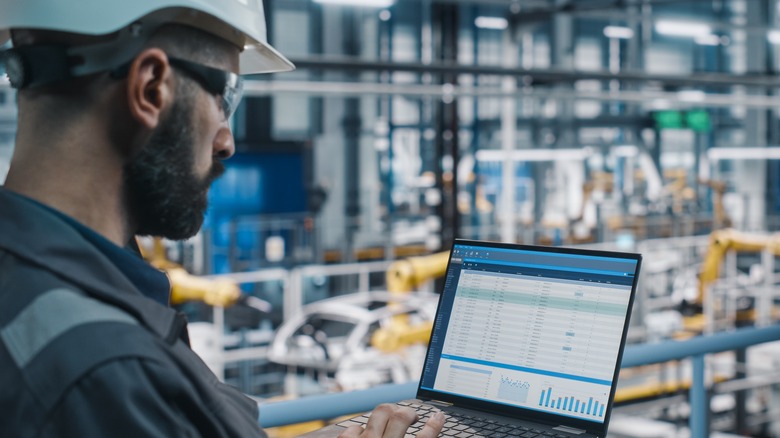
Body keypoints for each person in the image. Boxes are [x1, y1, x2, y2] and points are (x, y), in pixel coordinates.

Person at [0, 1, 445, 437]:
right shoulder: (104, 370)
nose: (227, 141)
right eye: (225, 96)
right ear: (151, 88)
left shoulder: (72, 292)